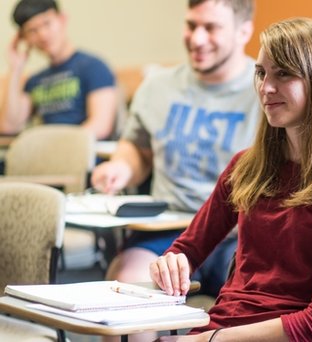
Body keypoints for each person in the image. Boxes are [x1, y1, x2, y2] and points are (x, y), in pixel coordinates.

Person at [149, 17, 312, 341]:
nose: (266, 88)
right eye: (261, 73)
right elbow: (186, 250)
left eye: (283, 74)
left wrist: (208, 340)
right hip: (219, 329)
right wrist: (170, 264)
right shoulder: (246, 166)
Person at [90, 0, 258, 340]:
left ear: (243, 31)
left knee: (255, 310)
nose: (197, 38)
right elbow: (137, 149)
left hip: (240, 236)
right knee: (122, 298)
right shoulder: (158, 86)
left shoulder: (266, 91)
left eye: (211, 28)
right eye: (191, 25)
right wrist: (122, 167)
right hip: (169, 231)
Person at [1, 0, 117, 140]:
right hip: (45, 155)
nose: (42, 35)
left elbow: (100, 126)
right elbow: (8, 127)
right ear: (24, 38)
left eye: (46, 23)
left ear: (62, 19)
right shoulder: (34, 81)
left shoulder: (93, 67)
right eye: (32, 30)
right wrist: (15, 69)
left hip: (79, 153)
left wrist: (57, 148)